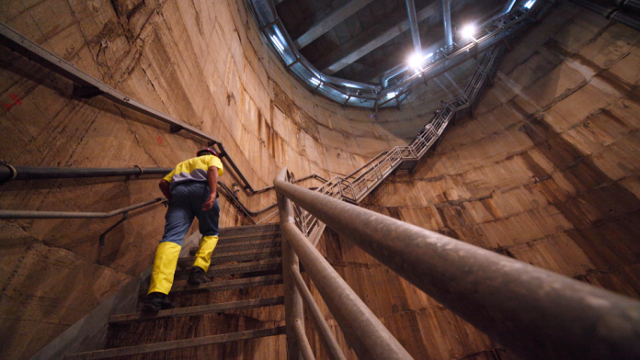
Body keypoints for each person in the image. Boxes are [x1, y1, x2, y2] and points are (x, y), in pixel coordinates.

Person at [142, 147, 224, 312]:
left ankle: (157, 295)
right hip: (202, 190)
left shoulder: (183, 164)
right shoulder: (211, 159)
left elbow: (163, 183)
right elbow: (213, 170)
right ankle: (198, 270)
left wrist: (173, 199)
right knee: (210, 233)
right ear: (213, 155)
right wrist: (213, 194)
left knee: (170, 239)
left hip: (179, 194)